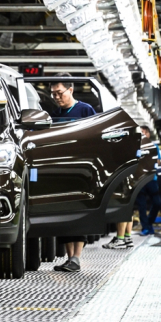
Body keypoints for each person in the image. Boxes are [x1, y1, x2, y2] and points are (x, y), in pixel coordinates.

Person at [50, 74, 95, 272]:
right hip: (61, 171)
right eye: (53, 94)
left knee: (79, 214)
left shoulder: (85, 110)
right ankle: (70, 258)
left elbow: (96, 135)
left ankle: (77, 257)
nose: (56, 97)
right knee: (64, 214)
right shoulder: (54, 114)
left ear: (70, 90)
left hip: (81, 171)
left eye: (59, 93)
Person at [135, 126, 161, 236]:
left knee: (157, 202)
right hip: (140, 179)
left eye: (144, 132)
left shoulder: (154, 147)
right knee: (142, 205)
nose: (143, 134)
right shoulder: (135, 148)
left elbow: (158, 162)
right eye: (141, 132)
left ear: (148, 134)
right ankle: (145, 227)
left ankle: (149, 222)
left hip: (152, 179)